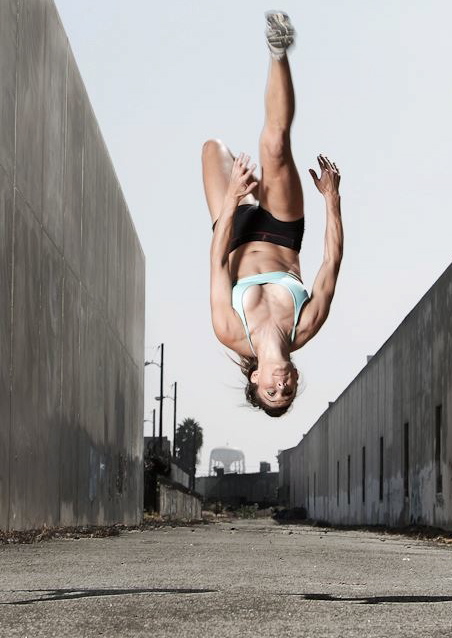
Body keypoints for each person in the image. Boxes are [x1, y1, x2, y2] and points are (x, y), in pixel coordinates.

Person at [202, 12, 343, 417]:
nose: (280, 386)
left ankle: (252, 189)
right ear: (295, 377)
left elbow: (217, 262)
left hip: (235, 230)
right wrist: (331, 200)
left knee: (212, 148)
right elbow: (331, 262)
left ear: (255, 379)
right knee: (276, 144)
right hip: (282, 232)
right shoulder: (306, 325)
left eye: (271, 392)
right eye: (287, 391)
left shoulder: (229, 331)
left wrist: (232, 198)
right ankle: (278, 49)